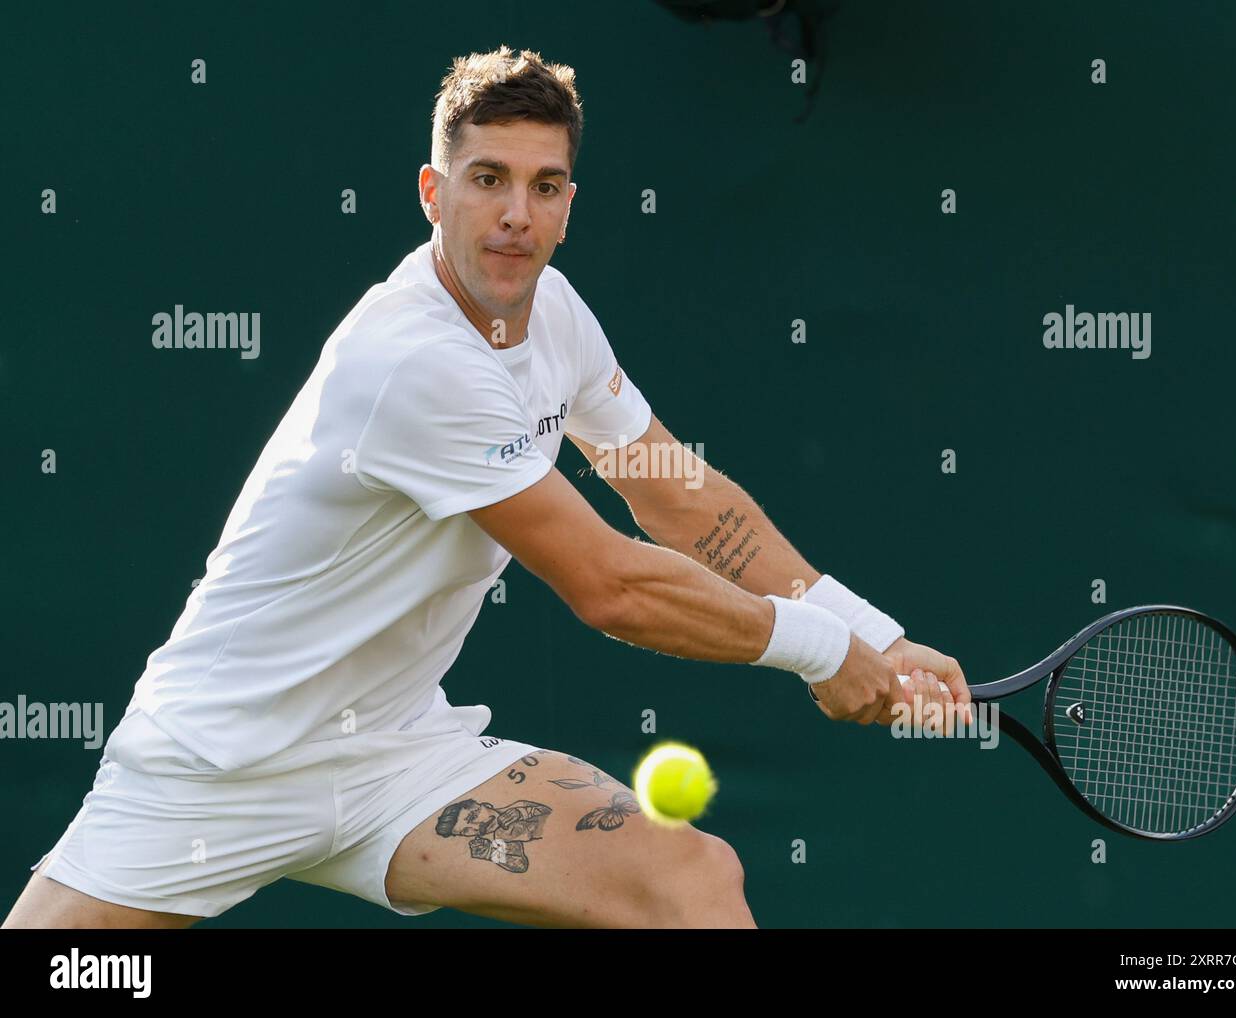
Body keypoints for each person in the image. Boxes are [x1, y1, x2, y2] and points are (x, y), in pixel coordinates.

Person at [4, 46, 967, 930]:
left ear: (569, 204)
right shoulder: (411, 360)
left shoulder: (556, 317)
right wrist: (818, 649)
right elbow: (612, 585)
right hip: (221, 764)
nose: (516, 213)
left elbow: (676, 493)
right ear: (434, 192)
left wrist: (870, 632)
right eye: (488, 180)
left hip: (397, 755)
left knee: (690, 880)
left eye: (544, 186)